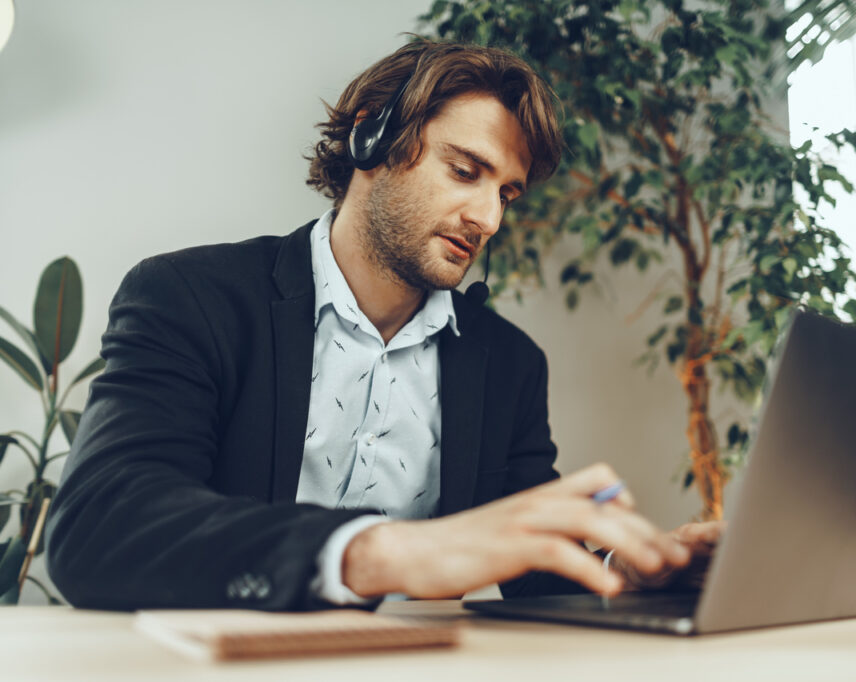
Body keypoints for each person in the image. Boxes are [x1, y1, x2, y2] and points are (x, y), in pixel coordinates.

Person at [46, 39, 717, 611]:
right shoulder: (190, 298)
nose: (489, 219)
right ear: (373, 134)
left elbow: (533, 562)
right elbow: (102, 525)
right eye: (465, 170)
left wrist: (626, 573)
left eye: (506, 193)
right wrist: (374, 552)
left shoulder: (509, 363)